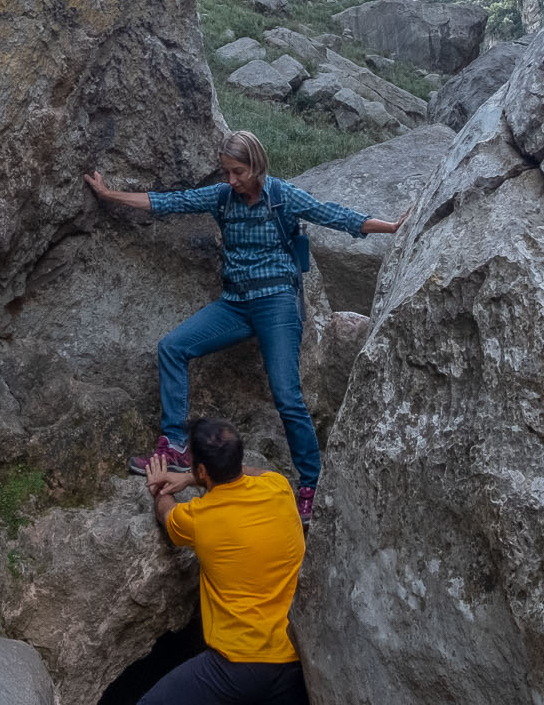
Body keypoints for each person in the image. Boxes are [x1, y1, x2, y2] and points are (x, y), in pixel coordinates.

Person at [84, 130, 407, 525]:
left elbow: (333, 214)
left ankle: (309, 484)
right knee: (172, 346)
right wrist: (109, 195)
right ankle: (174, 447)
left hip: (277, 304)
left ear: (257, 165)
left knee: (287, 396)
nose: (232, 180)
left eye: (238, 171)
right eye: (227, 172)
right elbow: (171, 201)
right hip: (235, 304)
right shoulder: (222, 197)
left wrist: (390, 227)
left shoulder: (282, 196)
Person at [101, 418, 330, 705]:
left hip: (231, 672)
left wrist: (163, 486)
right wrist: (196, 476)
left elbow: (167, 513)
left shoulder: (201, 519)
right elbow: (257, 473)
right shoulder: (280, 490)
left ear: (203, 469)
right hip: (290, 671)